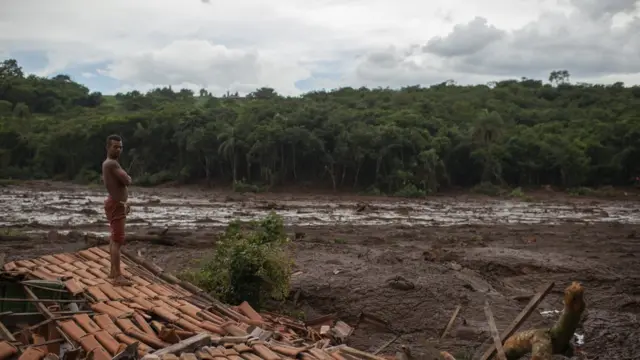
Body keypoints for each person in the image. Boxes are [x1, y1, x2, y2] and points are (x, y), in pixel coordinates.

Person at [102, 134, 133, 286]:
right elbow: (127, 180)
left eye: (120, 147)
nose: (118, 149)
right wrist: (128, 178)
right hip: (116, 204)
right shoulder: (112, 164)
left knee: (114, 238)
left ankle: (114, 271)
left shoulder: (110, 164)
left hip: (116, 203)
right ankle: (118, 276)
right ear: (108, 147)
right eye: (115, 146)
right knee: (117, 240)